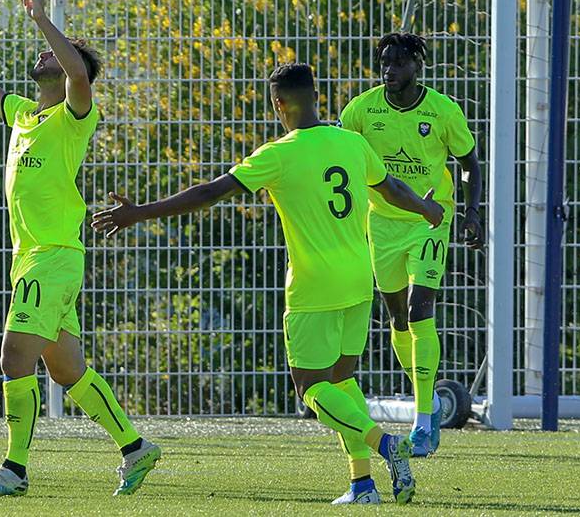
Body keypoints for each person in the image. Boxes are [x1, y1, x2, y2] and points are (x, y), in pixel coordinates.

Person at [92, 63, 445, 505]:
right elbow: (391, 187)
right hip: (359, 279)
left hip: (314, 287)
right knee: (342, 382)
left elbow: (208, 192)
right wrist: (425, 211)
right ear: (316, 96)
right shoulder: (352, 143)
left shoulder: (278, 153)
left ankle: (387, 445)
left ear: (278, 104)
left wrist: (138, 212)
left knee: (312, 390)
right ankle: (362, 485)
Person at [0, 0, 160, 497]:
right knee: (67, 369)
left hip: (49, 257)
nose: (45, 58)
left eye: (56, 54)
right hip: (41, 256)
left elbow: (76, 71)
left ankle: (15, 469)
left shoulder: (76, 115)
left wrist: (40, 17)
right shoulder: (27, 114)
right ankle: (135, 447)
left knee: (13, 358)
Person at [338, 32, 483, 457]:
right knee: (398, 321)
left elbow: (469, 162)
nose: (390, 70)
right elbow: (342, 160)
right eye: (385, 62)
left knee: (421, 313)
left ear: (417, 67)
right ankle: (432, 402)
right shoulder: (362, 110)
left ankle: (423, 420)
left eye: (399, 63)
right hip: (381, 223)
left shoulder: (442, 110)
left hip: (430, 219)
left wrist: (472, 212)